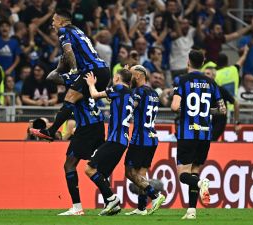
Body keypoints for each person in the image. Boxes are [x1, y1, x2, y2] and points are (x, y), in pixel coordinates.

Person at [30, 72, 106, 216]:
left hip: (87, 126)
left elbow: (51, 77)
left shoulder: (74, 78)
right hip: (98, 123)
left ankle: (77, 208)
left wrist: (62, 65)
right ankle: (110, 200)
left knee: (69, 165)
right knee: (97, 166)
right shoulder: (86, 76)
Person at [32, 9, 110, 140]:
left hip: (92, 71)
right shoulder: (77, 31)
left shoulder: (64, 31)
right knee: (78, 99)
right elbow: (52, 77)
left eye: (53, 21)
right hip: (102, 71)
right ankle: (85, 130)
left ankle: (51, 131)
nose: (52, 24)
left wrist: (73, 69)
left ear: (61, 22)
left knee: (70, 97)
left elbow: (68, 51)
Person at [171, 50, 226, 219]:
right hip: (204, 133)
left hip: (187, 132)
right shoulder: (211, 83)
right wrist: (206, 111)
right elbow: (222, 110)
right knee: (195, 170)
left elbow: (174, 107)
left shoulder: (181, 80)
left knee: (183, 174)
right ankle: (191, 210)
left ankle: (201, 183)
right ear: (202, 63)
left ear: (188, 62)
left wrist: (186, 110)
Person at [83, 68, 133, 216]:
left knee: (89, 169)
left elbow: (95, 96)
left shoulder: (118, 88)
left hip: (115, 139)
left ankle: (112, 199)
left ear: (117, 78)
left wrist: (91, 83)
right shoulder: (129, 94)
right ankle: (111, 204)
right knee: (102, 174)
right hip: (122, 140)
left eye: (114, 77)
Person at [124, 65, 165, 215]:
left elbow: (131, 106)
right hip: (152, 138)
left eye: (132, 75)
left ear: (140, 76)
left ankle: (155, 195)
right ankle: (142, 208)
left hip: (140, 139)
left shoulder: (138, 92)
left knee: (129, 172)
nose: (130, 77)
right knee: (141, 175)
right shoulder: (154, 93)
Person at [204, 67, 240, 141]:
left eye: (208, 73)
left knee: (210, 140)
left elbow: (236, 103)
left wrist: (236, 123)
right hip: (206, 121)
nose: (205, 76)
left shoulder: (220, 90)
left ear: (214, 76)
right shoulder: (202, 90)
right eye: (204, 74)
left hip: (219, 121)